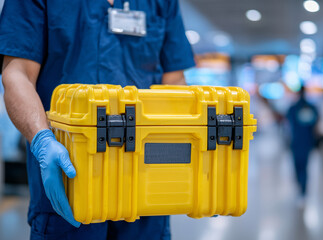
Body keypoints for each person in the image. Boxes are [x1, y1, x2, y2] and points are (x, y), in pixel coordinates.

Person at [0, 0, 195, 239]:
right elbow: (18, 73)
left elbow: (174, 81)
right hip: (69, 173)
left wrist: (187, 162)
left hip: (146, 180)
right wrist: (41, 139)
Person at [286, 86, 318, 205]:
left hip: (296, 142)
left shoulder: (293, 108)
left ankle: (301, 189)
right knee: (304, 167)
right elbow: (315, 123)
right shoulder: (311, 108)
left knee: (297, 167)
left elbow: (288, 122)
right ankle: (303, 191)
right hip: (307, 143)